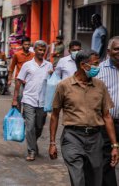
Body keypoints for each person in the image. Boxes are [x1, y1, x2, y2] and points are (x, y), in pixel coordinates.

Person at [49, 50, 119, 186]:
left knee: (95, 180)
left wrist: (114, 146)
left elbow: (107, 116)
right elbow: (55, 115)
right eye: (95, 64)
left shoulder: (100, 86)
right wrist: (52, 143)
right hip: (72, 138)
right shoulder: (64, 86)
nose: (98, 67)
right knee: (78, 179)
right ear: (83, 65)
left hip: (95, 139)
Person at [12, 40, 53, 161]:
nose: (41, 52)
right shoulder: (27, 65)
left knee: (39, 126)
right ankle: (31, 151)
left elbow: (52, 83)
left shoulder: (49, 65)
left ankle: (33, 142)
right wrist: (15, 99)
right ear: (34, 50)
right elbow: (18, 81)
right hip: (29, 99)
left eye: (43, 50)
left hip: (43, 101)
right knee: (29, 126)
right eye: (39, 50)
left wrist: (52, 75)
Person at [97, 36, 119, 186]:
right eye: (117, 49)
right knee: (107, 162)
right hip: (106, 124)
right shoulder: (99, 71)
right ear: (109, 51)